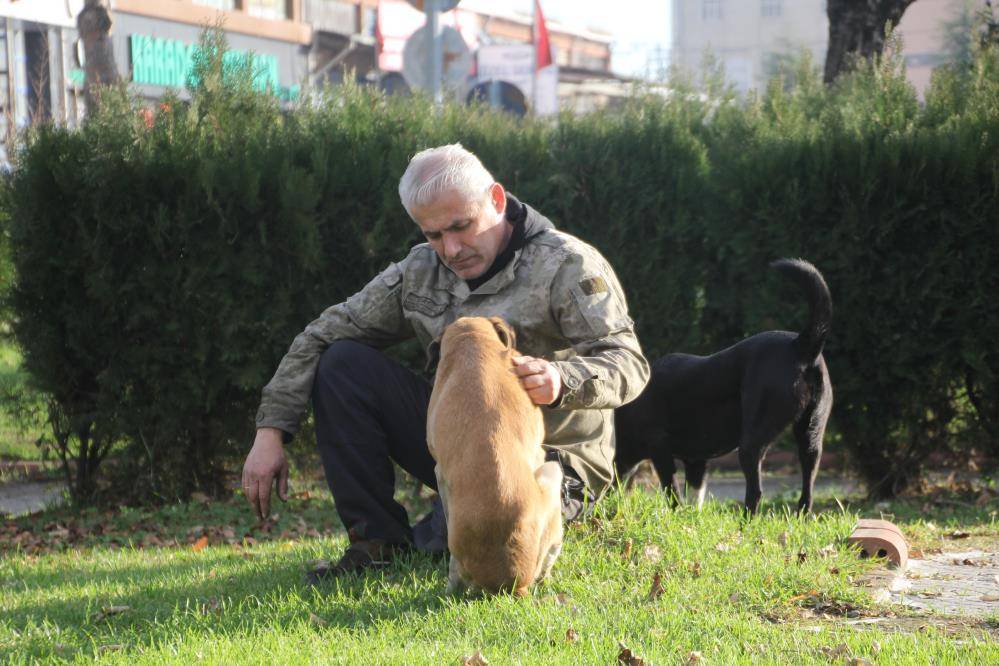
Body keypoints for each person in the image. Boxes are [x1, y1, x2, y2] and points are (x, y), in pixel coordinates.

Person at [242, 144, 649, 581]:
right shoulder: (420, 271)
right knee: (342, 364)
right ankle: (375, 545)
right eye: (433, 235)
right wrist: (270, 431)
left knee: (451, 544)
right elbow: (321, 334)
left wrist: (562, 378)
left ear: (496, 200)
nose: (451, 249)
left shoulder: (566, 264)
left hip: (550, 459)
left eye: (461, 226)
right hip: (462, 451)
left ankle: (452, 529)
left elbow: (629, 363)